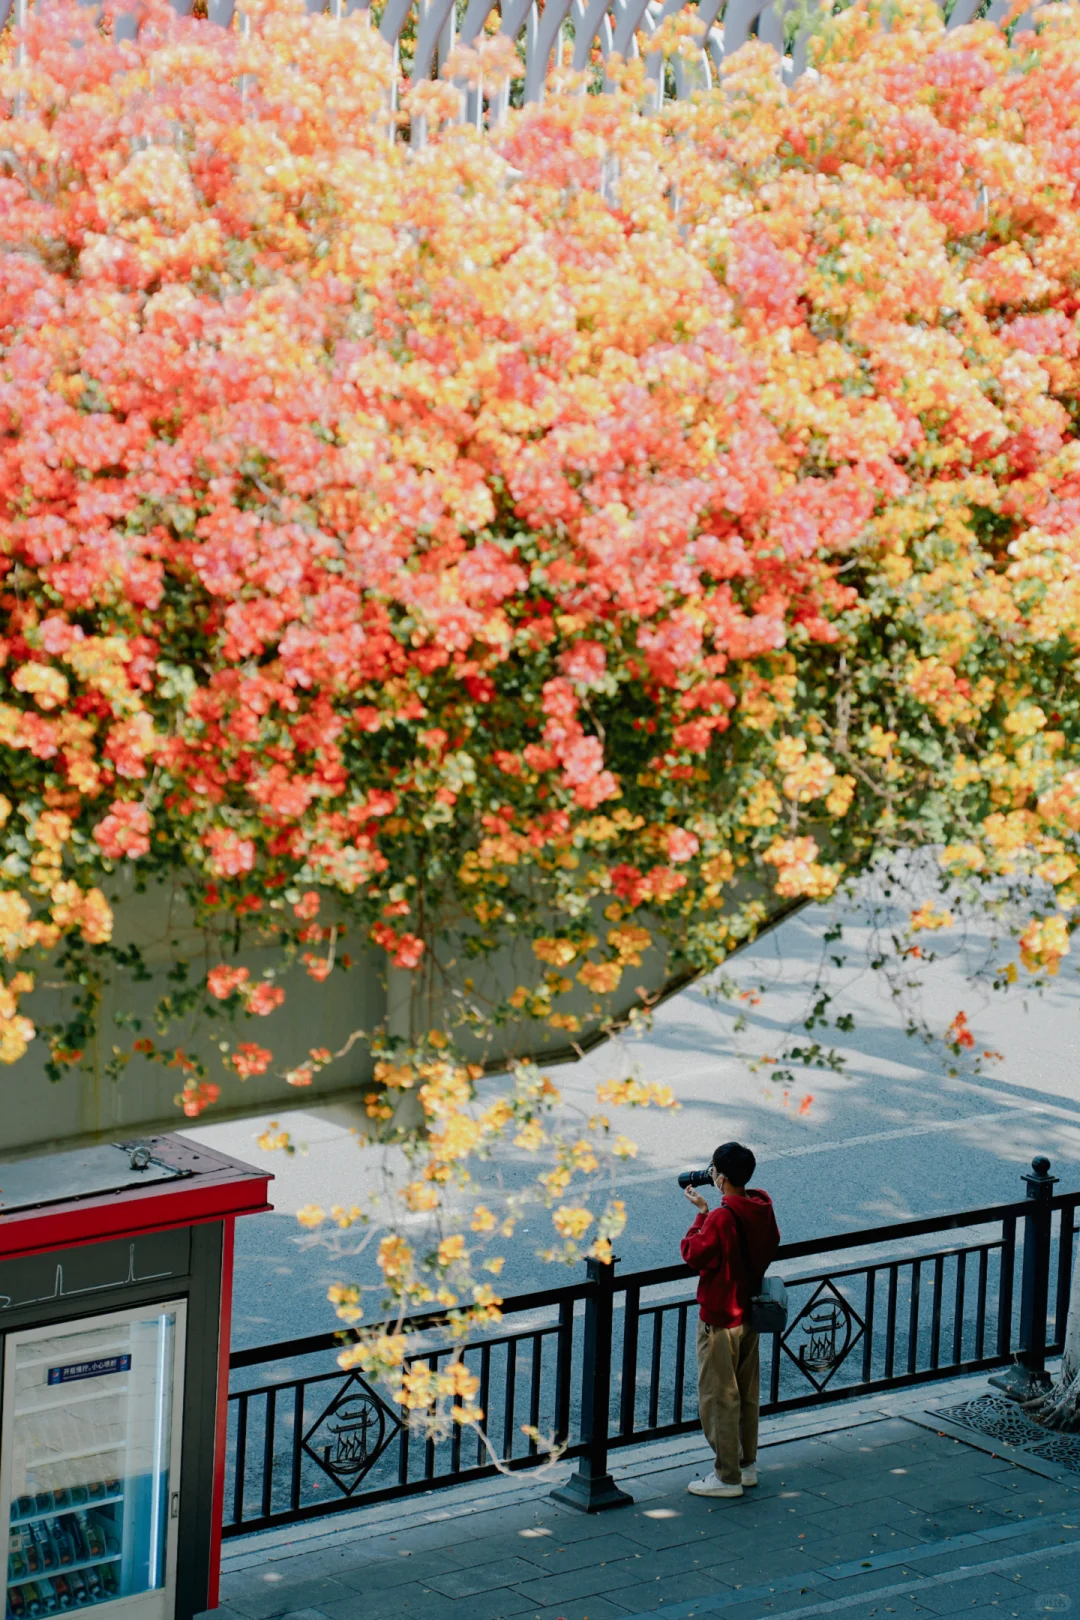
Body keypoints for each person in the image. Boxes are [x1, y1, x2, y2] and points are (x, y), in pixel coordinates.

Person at [680, 1140, 780, 1498]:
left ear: (720, 1179)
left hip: (721, 1318)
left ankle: (726, 1476)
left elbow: (693, 1253)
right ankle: (746, 1464)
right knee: (747, 1392)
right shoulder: (760, 1206)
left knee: (718, 1396)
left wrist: (701, 1215)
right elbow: (771, 1242)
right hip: (751, 1313)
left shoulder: (722, 1217)